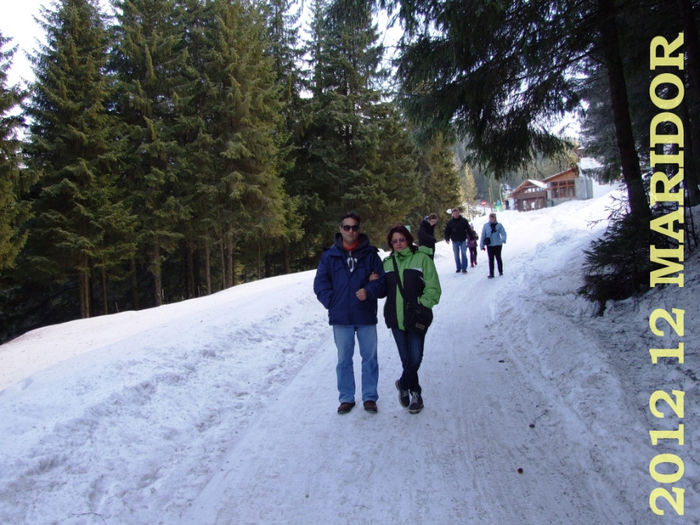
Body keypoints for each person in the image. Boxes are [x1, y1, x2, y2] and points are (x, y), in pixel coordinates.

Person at [313, 212, 386, 414]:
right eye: (347, 227)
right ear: (340, 229)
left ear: (358, 230)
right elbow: (320, 284)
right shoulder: (330, 256)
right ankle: (346, 398)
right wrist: (332, 303)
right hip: (341, 318)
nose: (351, 231)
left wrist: (369, 290)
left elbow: (382, 283)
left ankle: (370, 396)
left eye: (354, 227)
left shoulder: (371, 255)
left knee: (369, 358)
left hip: (365, 315)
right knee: (344, 359)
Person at [381, 225, 441, 414]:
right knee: (406, 360)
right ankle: (416, 394)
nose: (398, 243)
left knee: (415, 358)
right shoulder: (387, 263)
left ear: (408, 239)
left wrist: (423, 304)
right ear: (391, 244)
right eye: (394, 241)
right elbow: (382, 291)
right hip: (395, 318)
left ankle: (403, 383)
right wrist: (373, 280)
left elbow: (433, 287)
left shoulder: (421, 259)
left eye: (401, 239)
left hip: (416, 318)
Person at [444, 208, 474, 273]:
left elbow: (469, 230)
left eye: (457, 213)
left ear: (459, 213)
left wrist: (471, 238)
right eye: (454, 214)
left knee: (463, 254)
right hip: (454, 241)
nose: (456, 215)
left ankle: (464, 268)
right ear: (452, 214)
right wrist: (447, 238)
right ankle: (458, 267)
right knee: (456, 255)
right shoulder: (450, 222)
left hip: (463, 240)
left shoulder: (464, 221)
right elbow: (447, 231)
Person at [480, 212, 507, 278]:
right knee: (491, 259)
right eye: (490, 218)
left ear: (495, 218)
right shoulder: (486, 226)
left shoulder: (499, 225)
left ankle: (500, 271)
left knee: (498, 258)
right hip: (490, 245)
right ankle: (491, 273)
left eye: (493, 218)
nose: (491, 219)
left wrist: (503, 239)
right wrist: (482, 245)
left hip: (498, 244)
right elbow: (483, 235)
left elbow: (503, 233)